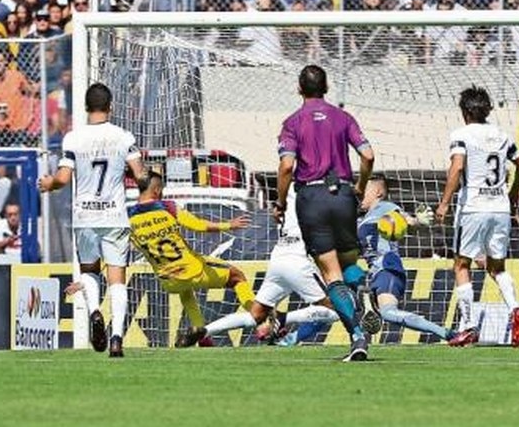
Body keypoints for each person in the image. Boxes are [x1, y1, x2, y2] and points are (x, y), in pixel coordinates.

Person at [273, 64, 375, 362]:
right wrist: (360, 186)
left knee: (331, 274)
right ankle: (365, 290)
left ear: (299, 88)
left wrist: (280, 202)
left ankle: (357, 335)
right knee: (348, 265)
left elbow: (287, 167)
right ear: (327, 87)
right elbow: (368, 155)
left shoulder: (292, 122)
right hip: (343, 194)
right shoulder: (344, 117)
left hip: (312, 196)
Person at [39, 82, 147, 358]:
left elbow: (63, 179)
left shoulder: (73, 138)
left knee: (89, 271)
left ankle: (94, 312)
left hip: (85, 216)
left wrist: (48, 183)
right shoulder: (124, 136)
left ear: (86, 108)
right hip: (115, 215)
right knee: (117, 279)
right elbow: (140, 175)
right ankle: (117, 339)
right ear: (111, 106)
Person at [172, 175, 338, 347]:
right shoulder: (315, 191)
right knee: (338, 308)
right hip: (298, 258)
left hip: (279, 257)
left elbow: (285, 179)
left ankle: (204, 331)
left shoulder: (288, 193)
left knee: (256, 314)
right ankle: (284, 318)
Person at [436, 86, 519, 347]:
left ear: (465, 112)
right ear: (487, 110)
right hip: (499, 207)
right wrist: (511, 195)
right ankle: (516, 308)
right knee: (496, 267)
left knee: (461, 265)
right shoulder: (502, 135)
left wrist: (444, 203)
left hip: (473, 207)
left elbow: (457, 167)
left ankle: (467, 326)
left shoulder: (461, 135)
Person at [358, 175, 451, 341]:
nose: (360, 193)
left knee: (389, 313)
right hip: (375, 272)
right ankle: (366, 310)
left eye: (364, 189)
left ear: (378, 192)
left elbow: (405, 219)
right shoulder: (363, 219)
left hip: (388, 268)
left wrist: (418, 221)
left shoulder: (385, 207)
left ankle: (445, 333)